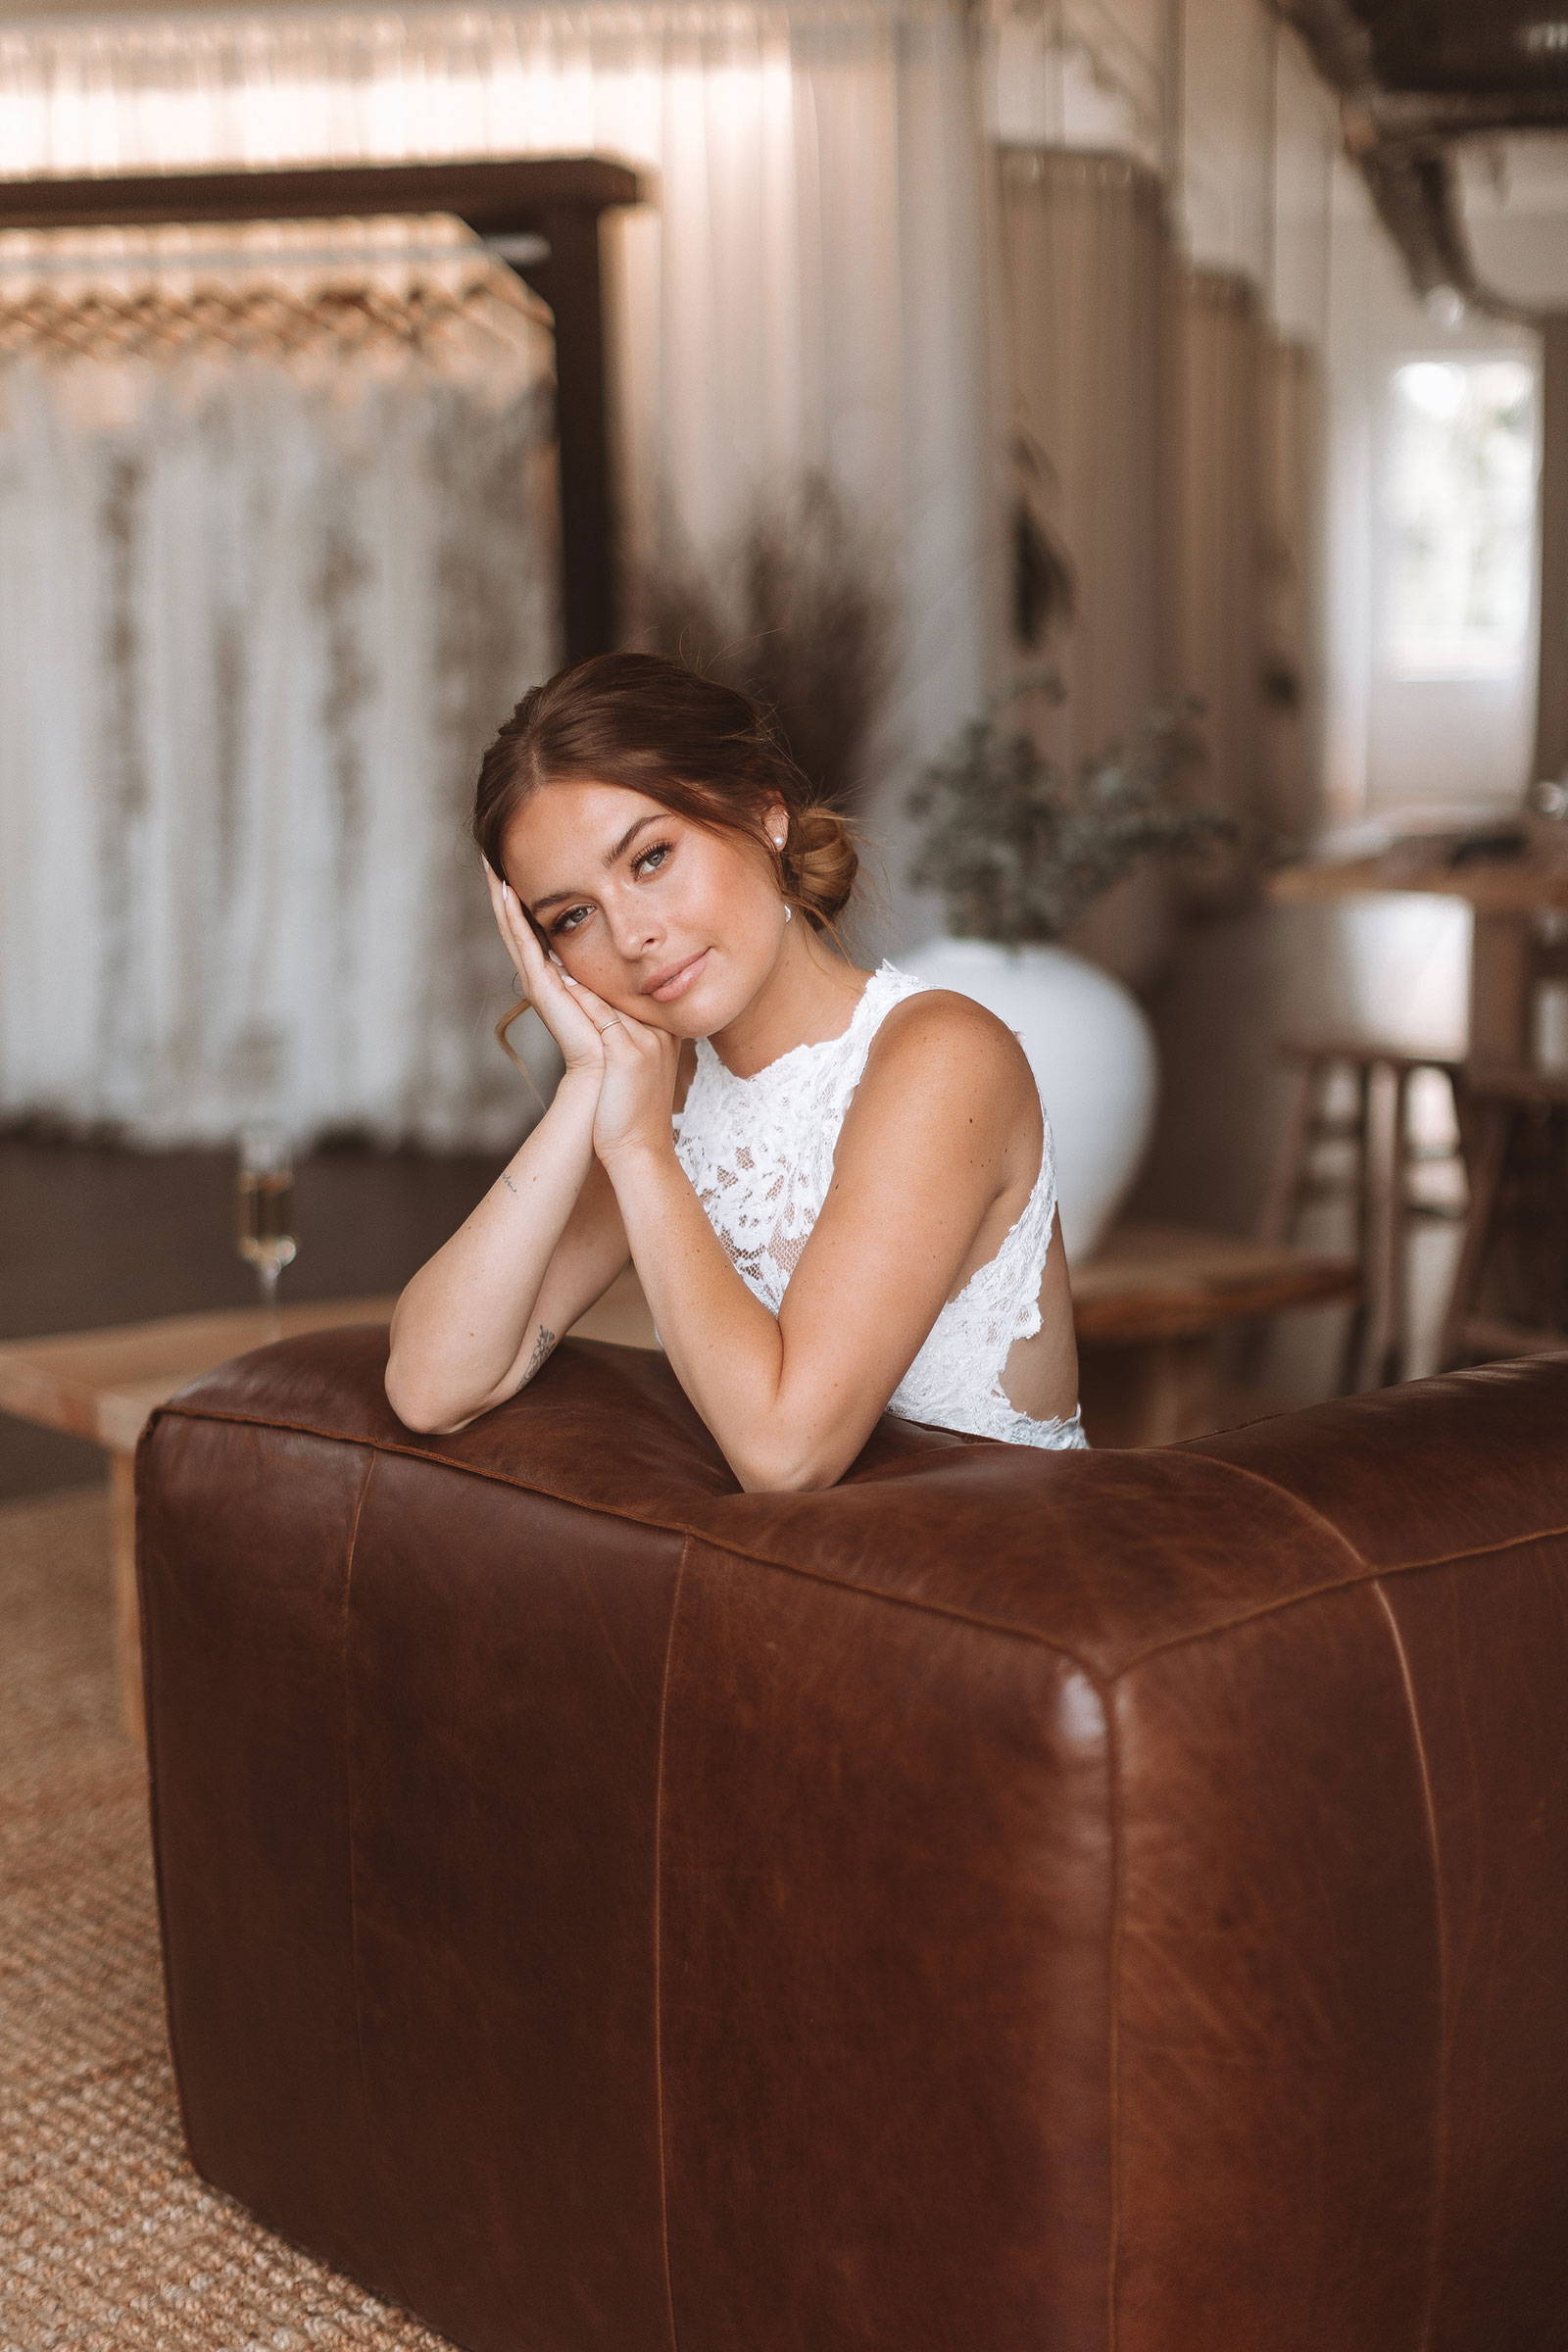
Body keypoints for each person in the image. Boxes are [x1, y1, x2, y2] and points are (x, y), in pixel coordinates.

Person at [384, 651, 1087, 1484]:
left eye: (650, 859)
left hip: (997, 1589)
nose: (630, 936)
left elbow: (785, 1454)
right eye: (572, 917)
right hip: (799, 1589)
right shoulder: (657, 1094)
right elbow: (432, 1386)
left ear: (764, 811)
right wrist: (588, 1085)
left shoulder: (943, 1057)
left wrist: (642, 1151)